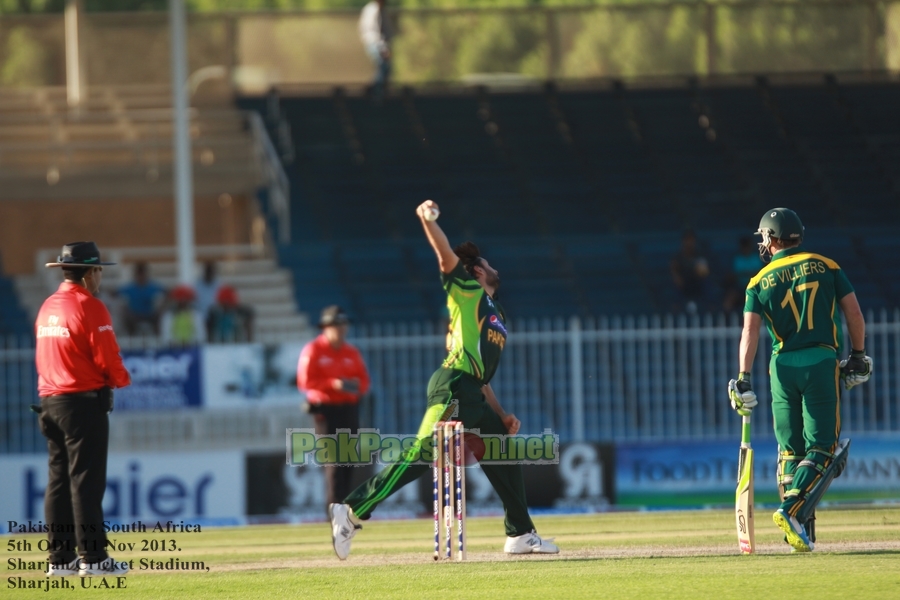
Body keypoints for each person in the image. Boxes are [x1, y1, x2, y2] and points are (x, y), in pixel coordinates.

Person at [328, 200, 559, 560]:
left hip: (470, 390)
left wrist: (499, 413)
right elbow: (444, 257)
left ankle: (521, 534)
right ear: (479, 273)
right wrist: (428, 220)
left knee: (501, 447)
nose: (493, 266)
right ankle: (352, 510)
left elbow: (482, 377)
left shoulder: (494, 311)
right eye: (488, 264)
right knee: (423, 453)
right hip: (453, 384)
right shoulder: (468, 292)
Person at [728, 208, 872, 553]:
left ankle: (798, 528)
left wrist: (743, 378)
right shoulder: (827, 265)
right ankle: (791, 511)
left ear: (771, 238)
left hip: (781, 367)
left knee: (791, 451)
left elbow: (750, 330)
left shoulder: (758, 281)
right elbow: (853, 312)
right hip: (820, 360)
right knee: (822, 449)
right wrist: (858, 354)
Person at [35, 241, 131, 576]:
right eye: (99, 270)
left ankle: (60, 560)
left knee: (59, 481)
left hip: (49, 402)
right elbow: (107, 356)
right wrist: (121, 379)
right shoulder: (90, 306)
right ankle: (94, 559)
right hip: (81, 404)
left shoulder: (48, 306)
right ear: (91, 273)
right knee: (86, 483)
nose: (100, 276)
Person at [297, 305, 371, 512]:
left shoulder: (351, 352)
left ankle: (344, 508)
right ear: (326, 327)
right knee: (335, 461)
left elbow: (364, 382)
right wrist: (333, 384)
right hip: (325, 410)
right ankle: (335, 509)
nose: (340, 329)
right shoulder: (314, 350)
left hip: (348, 408)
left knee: (348, 461)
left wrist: (351, 386)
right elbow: (305, 382)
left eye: (342, 325)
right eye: (335, 325)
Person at [358, 0, 393, 103]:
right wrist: (383, 48)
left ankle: (376, 90)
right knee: (383, 65)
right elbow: (374, 32)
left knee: (384, 67)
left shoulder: (381, 10)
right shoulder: (373, 10)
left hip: (377, 43)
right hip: (375, 43)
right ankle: (377, 94)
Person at [118, 261, 165, 336]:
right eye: (139, 274)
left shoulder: (153, 286)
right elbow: (117, 294)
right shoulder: (129, 287)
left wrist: (160, 307)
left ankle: (158, 336)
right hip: (134, 315)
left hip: (150, 314)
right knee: (124, 313)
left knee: (160, 314)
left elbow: (165, 293)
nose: (141, 276)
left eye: (142, 274)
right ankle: (131, 337)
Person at [670, 229, 710, 314]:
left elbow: (704, 272)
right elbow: (674, 270)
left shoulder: (699, 255)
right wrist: (677, 277)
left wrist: (699, 271)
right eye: (687, 240)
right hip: (683, 285)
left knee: (707, 285)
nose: (689, 243)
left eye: (691, 240)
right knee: (675, 289)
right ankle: (676, 312)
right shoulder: (678, 257)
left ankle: (709, 310)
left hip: (697, 283)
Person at [723, 236, 763, 312]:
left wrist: (744, 273)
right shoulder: (737, 259)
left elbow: (760, 274)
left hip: (756, 287)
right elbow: (731, 275)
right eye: (744, 246)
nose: (746, 249)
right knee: (730, 297)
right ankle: (725, 319)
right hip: (740, 288)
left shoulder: (756, 258)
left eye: (747, 246)